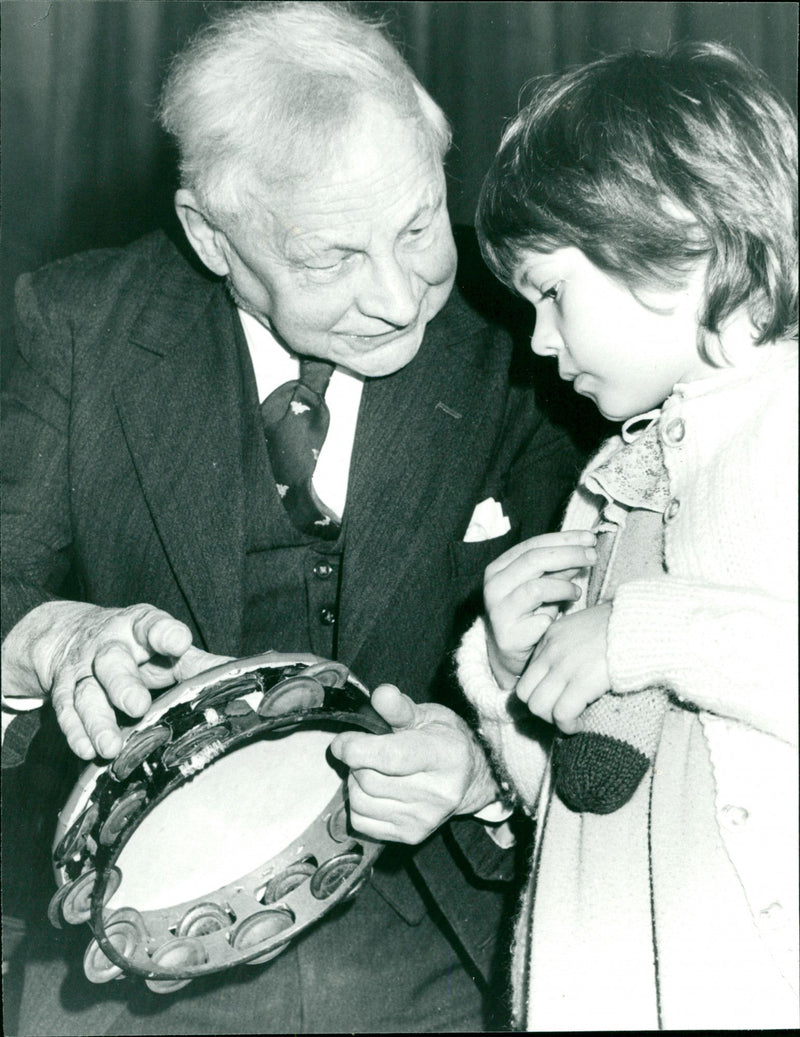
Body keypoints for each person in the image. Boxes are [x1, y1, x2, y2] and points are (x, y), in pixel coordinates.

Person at [0, 3, 590, 1034]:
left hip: (443, 942)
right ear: (208, 234)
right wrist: (49, 637)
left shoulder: (526, 330)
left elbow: (607, 642)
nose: (402, 296)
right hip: (132, 955)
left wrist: (482, 769)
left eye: (415, 227)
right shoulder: (82, 322)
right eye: (330, 257)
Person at [456, 41, 799, 1031]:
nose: (536, 343)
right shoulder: (615, 483)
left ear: (677, 236)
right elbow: (582, 814)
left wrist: (638, 633)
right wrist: (515, 684)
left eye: (549, 292)